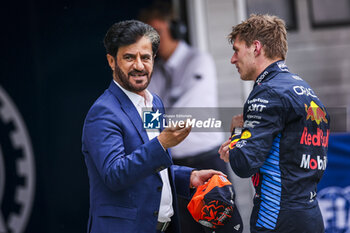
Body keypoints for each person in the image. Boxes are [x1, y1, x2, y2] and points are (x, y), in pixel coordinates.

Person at [81, 20, 223, 233]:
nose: (139, 65)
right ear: (112, 61)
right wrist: (162, 143)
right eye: (129, 57)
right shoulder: (103, 112)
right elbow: (114, 174)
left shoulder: (154, 102)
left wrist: (188, 177)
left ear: (154, 59)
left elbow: (153, 168)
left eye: (145, 57)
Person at [218, 14, 330, 233]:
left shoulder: (268, 92)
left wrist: (237, 133)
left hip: (276, 217)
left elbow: (243, 163)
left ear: (256, 47)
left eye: (237, 50)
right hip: (311, 214)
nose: (233, 59)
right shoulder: (305, 90)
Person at [139, 2, 228, 232]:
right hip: (174, 168)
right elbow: (144, 111)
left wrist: (152, 126)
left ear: (174, 29)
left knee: (218, 228)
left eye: (157, 30)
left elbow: (183, 116)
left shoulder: (198, 61)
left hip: (206, 163)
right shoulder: (155, 72)